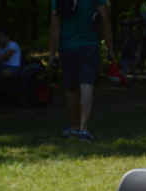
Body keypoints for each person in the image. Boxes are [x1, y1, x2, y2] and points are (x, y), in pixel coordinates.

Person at [49, 0, 115, 142]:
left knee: (71, 88)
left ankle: (74, 126)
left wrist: (52, 53)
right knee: (87, 85)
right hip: (90, 45)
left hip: (67, 46)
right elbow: (104, 20)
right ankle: (84, 129)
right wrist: (110, 48)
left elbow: (55, 23)